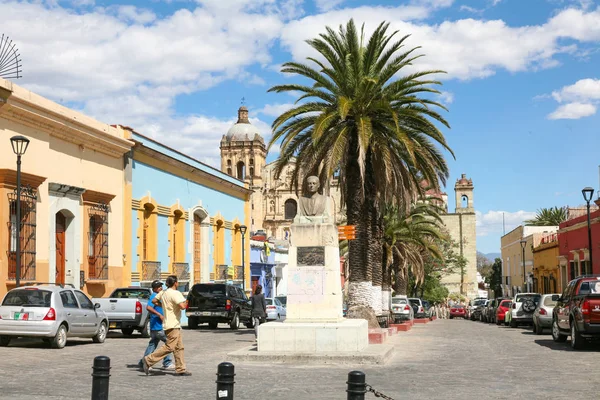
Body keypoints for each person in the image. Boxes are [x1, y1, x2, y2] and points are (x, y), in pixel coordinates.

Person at [141, 275, 191, 376]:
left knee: (179, 347)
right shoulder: (176, 293)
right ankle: (148, 360)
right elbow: (182, 307)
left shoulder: (163, 293)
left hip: (169, 324)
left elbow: (155, 301)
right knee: (170, 347)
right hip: (173, 324)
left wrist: (163, 305)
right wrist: (187, 301)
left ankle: (180, 368)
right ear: (176, 283)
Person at [138, 280, 174, 371]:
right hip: (158, 326)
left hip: (155, 326)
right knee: (169, 343)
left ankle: (144, 361)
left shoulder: (159, 296)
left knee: (153, 344)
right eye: (159, 287)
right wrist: (159, 315)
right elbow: (148, 307)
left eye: (161, 286)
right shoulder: (154, 296)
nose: (161, 288)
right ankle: (167, 362)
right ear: (154, 288)